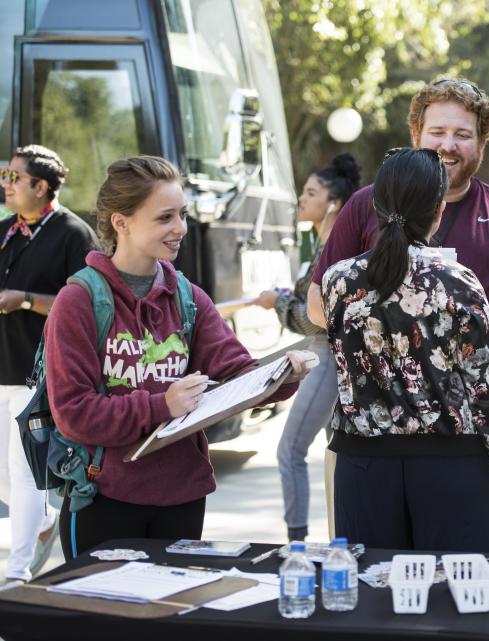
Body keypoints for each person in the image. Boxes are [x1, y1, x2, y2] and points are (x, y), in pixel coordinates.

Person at [43, 156, 313, 557]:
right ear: (121, 222)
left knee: (174, 618)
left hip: (182, 497)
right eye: (165, 217)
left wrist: (280, 377)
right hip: (104, 498)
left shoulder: (187, 296)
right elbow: (73, 413)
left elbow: (237, 371)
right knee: (107, 620)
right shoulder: (78, 301)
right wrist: (161, 405)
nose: (181, 229)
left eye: (182, 214)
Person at [307, 148, 489, 553]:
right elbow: (486, 385)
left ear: (375, 204)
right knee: (454, 602)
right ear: (439, 208)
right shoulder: (457, 281)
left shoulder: (338, 281)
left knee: (370, 603)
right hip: (451, 466)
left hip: (363, 467)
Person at [313, 77, 489, 351]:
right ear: (415, 135)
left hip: (472, 389)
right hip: (378, 390)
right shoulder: (365, 203)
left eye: (462, 135)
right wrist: (386, 338)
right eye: (437, 132)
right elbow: (315, 301)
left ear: (482, 143)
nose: (448, 145)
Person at [250, 154, 361, 542]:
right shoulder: (326, 242)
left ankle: (296, 543)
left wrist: (278, 304)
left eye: (311, 193)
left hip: (328, 354)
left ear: (332, 203)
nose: (302, 199)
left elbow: (320, 319)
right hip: (321, 353)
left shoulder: (335, 244)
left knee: (290, 450)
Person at [0, 146, 98, 587]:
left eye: (14, 176)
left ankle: (16, 573)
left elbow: (85, 303)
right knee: (9, 480)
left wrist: (24, 299)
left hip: (35, 375)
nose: (6, 183)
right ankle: (41, 518)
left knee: (23, 474)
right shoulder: (6, 231)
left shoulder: (73, 234)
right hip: (1, 367)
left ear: (41, 186)